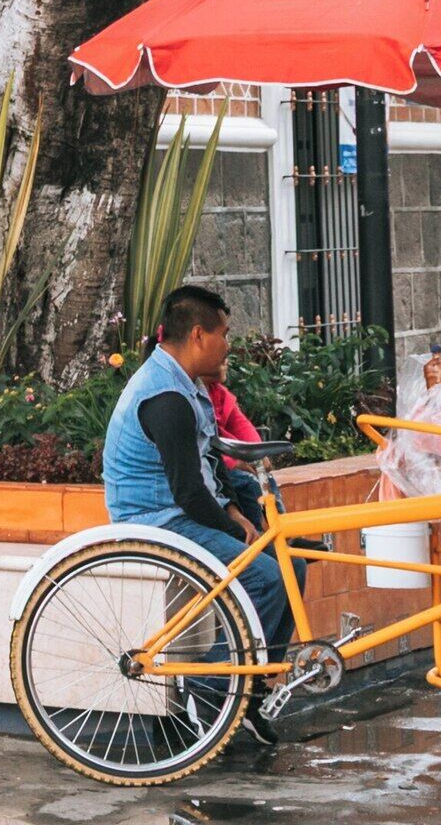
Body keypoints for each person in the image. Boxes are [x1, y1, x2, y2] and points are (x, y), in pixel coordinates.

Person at [104, 284, 294, 664]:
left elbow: (208, 458)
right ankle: (209, 692)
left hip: (180, 512)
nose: (227, 346)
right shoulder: (165, 397)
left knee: (293, 569)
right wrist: (233, 530)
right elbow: (189, 492)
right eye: (224, 335)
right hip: (157, 521)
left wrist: (234, 513)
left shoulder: (186, 383)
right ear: (197, 335)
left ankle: (250, 694)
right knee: (267, 579)